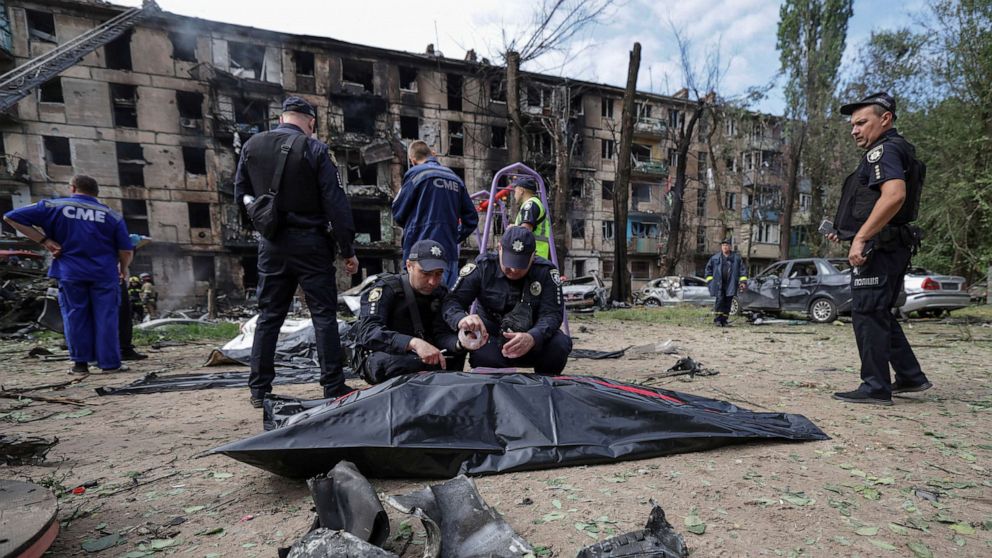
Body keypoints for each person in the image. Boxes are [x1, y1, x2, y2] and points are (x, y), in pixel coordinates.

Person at [235, 96, 358, 407]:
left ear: (281, 119)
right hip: (310, 243)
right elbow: (336, 202)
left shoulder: (251, 146)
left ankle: (259, 390)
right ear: (311, 122)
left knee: (269, 316)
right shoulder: (315, 150)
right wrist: (348, 249)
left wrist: (261, 228)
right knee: (323, 315)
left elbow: (241, 195)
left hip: (271, 243)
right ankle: (333, 386)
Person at [830, 91, 931, 406]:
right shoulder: (897, 150)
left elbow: (894, 196)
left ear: (885, 119)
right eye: (852, 125)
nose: (854, 130)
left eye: (861, 122)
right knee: (880, 313)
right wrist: (849, 231)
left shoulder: (883, 151)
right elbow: (877, 204)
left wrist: (861, 238)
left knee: (867, 313)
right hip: (891, 245)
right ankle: (910, 376)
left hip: (880, 249)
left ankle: (875, 387)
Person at [3, 175, 132, 373]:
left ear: (72, 188)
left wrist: (45, 241)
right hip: (104, 273)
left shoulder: (53, 206)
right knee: (106, 317)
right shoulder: (111, 215)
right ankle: (109, 364)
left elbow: (10, 217)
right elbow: (126, 250)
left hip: (70, 272)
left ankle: (80, 364)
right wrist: (123, 268)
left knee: (75, 316)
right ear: (96, 193)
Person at [442, 227, 572, 374]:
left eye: (521, 264)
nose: (514, 270)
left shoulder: (545, 272)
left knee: (560, 344)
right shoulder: (483, 268)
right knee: (476, 352)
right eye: (509, 262)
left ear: (533, 256)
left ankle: (546, 386)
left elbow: (552, 313)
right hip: (492, 339)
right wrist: (462, 319)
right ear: (500, 249)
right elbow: (452, 302)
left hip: (532, 339)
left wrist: (534, 336)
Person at [350, 239, 464, 384]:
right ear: (409, 266)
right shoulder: (387, 289)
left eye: (438, 274)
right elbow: (369, 331)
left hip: (426, 355)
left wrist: (461, 342)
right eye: (425, 273)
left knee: (457, 350)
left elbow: (442, 331)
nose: (432, 281)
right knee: (401, 363)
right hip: (388, 354)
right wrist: (412, 343)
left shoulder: (440, 292)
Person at [392, 140, 478, 286]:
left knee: (417, 303)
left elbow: (398, 213)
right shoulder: (455, 178)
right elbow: (471, 219)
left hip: (419, 254)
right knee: (446, 302)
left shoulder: (415, 174)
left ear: (413, 160)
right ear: (432, 154)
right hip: (448, 254)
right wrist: (454, 236)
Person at [704, 239, 747, 327]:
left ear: (730, 247)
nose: (724, 247)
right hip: (719, 284)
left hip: (730, 284)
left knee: (728, 302)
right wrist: (710, 281)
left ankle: (724, 320)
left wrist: (743, 282)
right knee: (719, 301)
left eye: (726, 245)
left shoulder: (736, 258)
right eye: (723, 245)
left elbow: (742, 270)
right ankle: (718, 320)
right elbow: (708, 270)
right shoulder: (715, 258)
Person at [511, 175, 551, 261]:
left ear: (521, 191)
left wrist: (512, 229)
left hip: (532, 255)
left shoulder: (530, 205)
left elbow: (525, 231)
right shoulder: (536, 203)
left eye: (515, 191)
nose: (514, 195)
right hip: (537, 254)